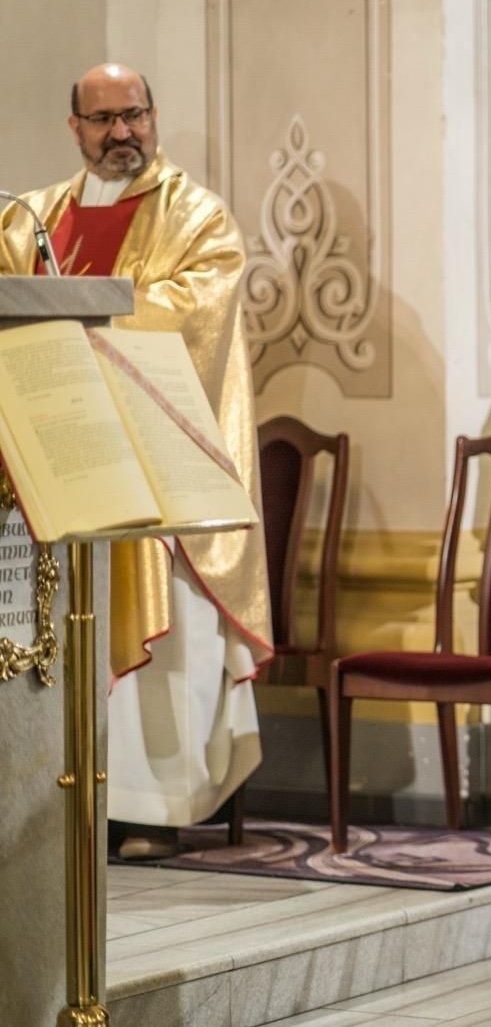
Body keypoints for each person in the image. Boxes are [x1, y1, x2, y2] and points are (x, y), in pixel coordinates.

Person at [0, 64, 272, 859]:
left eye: (135, 114)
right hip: (56, 456)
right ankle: (51, 799)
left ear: (153, 115)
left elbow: (194, 315)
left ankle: (149, 807)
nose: (122, 133)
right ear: (75, 127)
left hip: (149, 459)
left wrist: (77, 326)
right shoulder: (32, 219)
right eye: (103, 119)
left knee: (166, 628)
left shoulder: (197, 217)